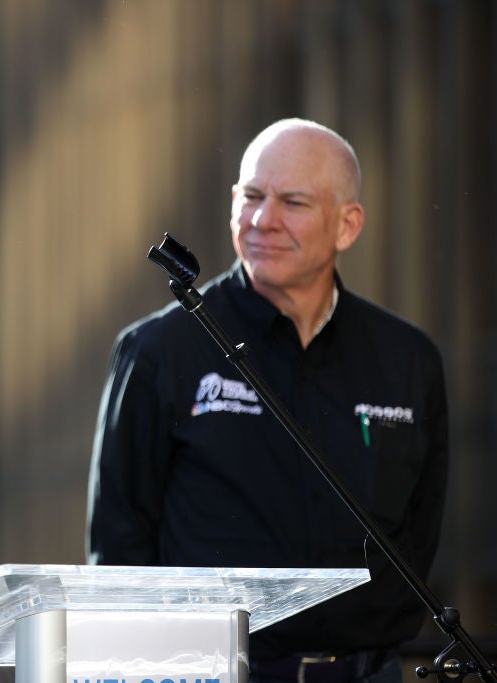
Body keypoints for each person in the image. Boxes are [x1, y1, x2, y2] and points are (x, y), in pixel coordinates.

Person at [87, 118, 448, 683]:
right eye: (251, 196)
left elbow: (420, 537)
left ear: (347, 225)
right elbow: (119, 553)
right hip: (212, 673)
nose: (263, 219)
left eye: (293, 202)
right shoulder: (160, 349)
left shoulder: (408, 361)